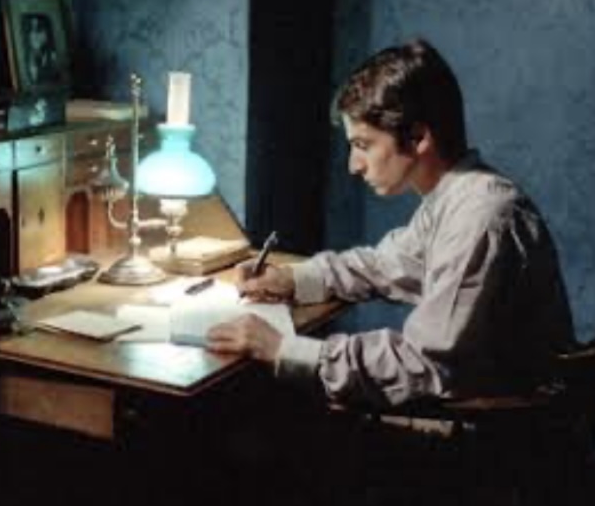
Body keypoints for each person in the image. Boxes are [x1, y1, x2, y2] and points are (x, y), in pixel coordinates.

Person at [207, 38, 576, 408]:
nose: (353, 166)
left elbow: (422, 364)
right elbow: (385, 267)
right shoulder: (456, 197)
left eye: (363, 145)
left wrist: (284, 349)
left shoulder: (479, 217)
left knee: (269, 414)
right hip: (478, 406)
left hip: (494, 427)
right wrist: (292, 279)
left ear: (418, 137)